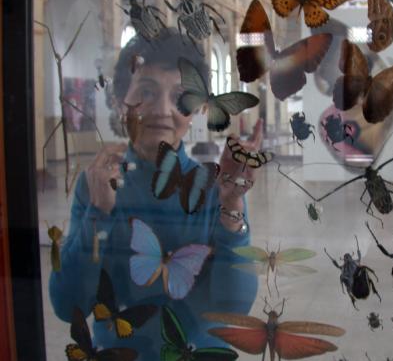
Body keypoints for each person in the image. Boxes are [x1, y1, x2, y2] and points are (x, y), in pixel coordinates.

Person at [49, 28, 259, 359]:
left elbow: (234, 307)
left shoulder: (212, 187)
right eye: (146, 91)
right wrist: (98, 213)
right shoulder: (99, 185)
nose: (163, 110)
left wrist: (232, 208)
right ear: (120, 101)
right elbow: (67, 304)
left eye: (180, 97)